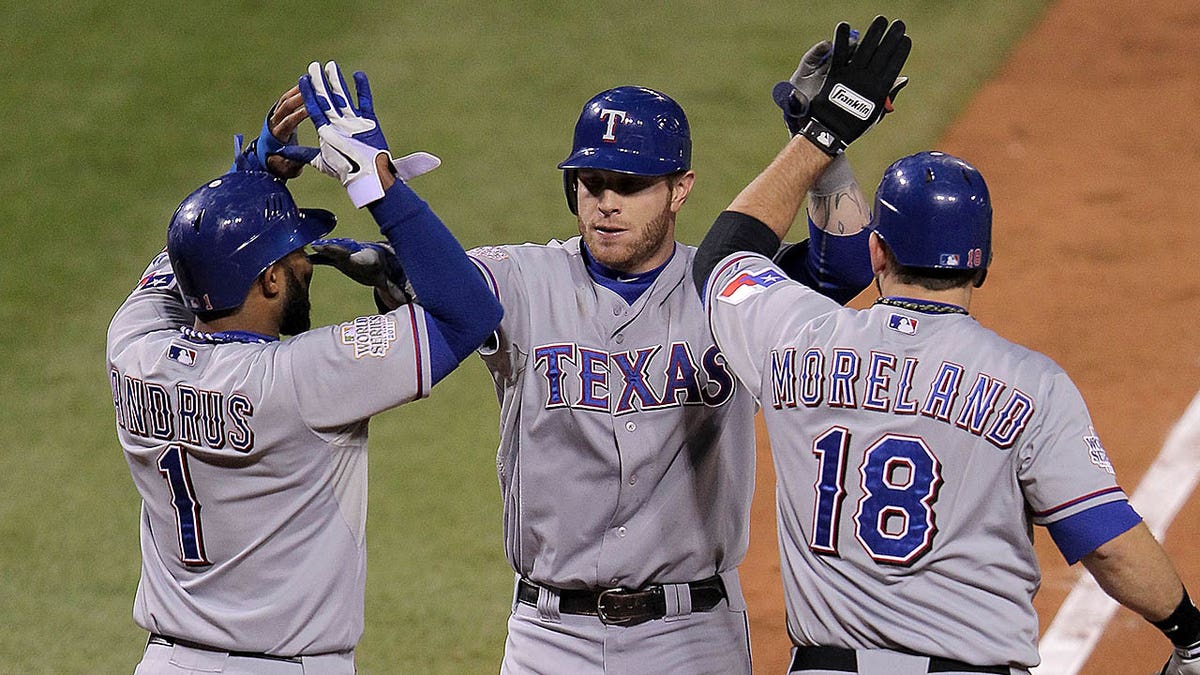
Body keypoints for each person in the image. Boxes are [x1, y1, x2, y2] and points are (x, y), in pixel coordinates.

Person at [694, 32, 1200, 675]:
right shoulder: (1030, 386)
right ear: (981, 264)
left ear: (878, 251)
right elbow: (1108, 546)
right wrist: (1189, 632)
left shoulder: (797, 337)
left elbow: (720, 258)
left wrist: (820, 137)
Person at [107, 61, 502, 674]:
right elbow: (469, 312)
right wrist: (379, 187)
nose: (308, 261)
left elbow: (185, 257)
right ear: (268, 280)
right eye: (294, 254)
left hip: (167, 662)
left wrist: (249, 177)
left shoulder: (132, 349)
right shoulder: (303, 380)